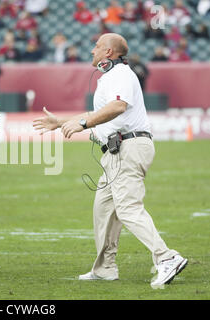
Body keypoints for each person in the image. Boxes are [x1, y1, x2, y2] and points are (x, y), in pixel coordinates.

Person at [33, 33, 188, 287]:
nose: (92, 50)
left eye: (96, 46)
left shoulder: (121, 75)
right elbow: (98, 114)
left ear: (108, 52)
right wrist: (60, 122)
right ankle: (105, 268)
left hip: (129, 147)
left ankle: (166, 258)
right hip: (117, 151)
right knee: (104, 209)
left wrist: (82, 123)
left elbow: (118, 107)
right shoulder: (111, 77)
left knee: (128, 208)